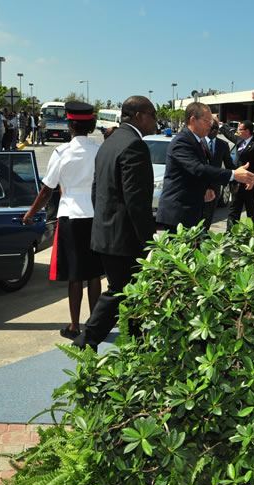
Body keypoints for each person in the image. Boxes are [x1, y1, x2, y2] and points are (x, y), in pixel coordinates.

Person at [71, 96, 157, 352]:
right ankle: (85, 342)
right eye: (153, 114)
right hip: (125, 239)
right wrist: (149, 240)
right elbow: (137, 201)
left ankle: (138, 346)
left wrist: (105, 224)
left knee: (130, 293)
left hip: (107, 234)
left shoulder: (109, 144)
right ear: (139, 115)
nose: (156, 120)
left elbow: (98, 190)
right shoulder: (134, 146)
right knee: (119, 292)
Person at [23, 102, 105, 340]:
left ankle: (74, 326)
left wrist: (30, 214)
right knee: (94, 275)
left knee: (75, 275)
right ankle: (94, 325)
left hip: (70, 216)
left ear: (70, 125)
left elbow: (46, 191)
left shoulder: (61, 153)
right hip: (94, 215)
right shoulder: (98, 151)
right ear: (90, 125)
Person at [157, 102, 254, 230]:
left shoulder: (197, 141)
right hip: (179, 214)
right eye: (207, 120)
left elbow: (192, 175)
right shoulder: (182, 141)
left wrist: (204, 189)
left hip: (192, 212)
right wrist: (233, 175)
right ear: (193, 119)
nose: (210, 124)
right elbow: (197, 169)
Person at [222, 120, 254, 230]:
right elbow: (229, 134)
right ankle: (230, 233)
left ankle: (250, 234)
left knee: (250, 211)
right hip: (237, 183)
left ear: (247, 131)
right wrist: (220, 125)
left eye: (240, 130)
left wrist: (253, 181)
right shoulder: (239, 141)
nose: (238, 132)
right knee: (234, 210)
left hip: (250, 184)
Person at [202, 120, 235, 231]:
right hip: (200, 186)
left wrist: (234, 182)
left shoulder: (223, 145)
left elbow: (229, 165)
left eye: (216, 128)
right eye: (212, 128)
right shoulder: (198, 142)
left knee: (209, 217)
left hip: (215, 187)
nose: (214, 130)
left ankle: (205, 237)